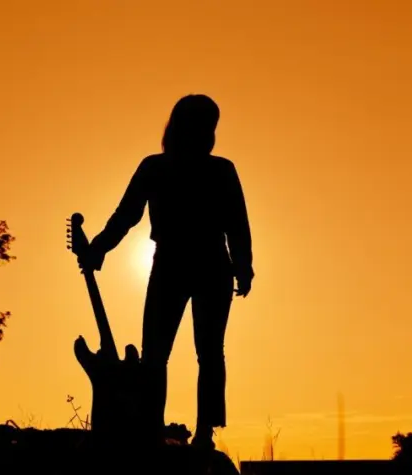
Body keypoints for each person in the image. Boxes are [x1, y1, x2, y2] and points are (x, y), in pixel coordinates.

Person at [78, 94, 254, 449]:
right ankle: (160, 427)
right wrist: (99, 247)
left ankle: (197, 431)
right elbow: (127, 214)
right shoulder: (163, 168)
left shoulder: (207, 169)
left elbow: (237, 222)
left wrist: (244, 265)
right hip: (184, 263)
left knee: (192, 351)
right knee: (171, 352)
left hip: (200, 264)